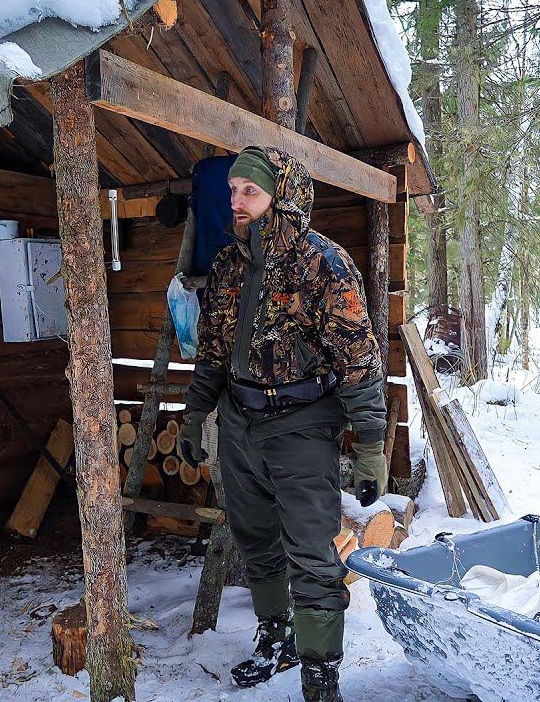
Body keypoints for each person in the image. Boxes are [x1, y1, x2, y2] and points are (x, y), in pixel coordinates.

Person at [176, 146, 388, 702]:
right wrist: (196, 411)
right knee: (255, 540)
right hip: (239, 421)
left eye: (250, 191)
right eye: (232, 192)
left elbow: (359, 362)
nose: (236, 202)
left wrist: (370, 446)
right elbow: (214, 351)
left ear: (282, 196)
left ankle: (320, 673)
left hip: (301, 426)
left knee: (312, 551)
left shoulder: (325, 264)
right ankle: (276, 638)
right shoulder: (227, 263)